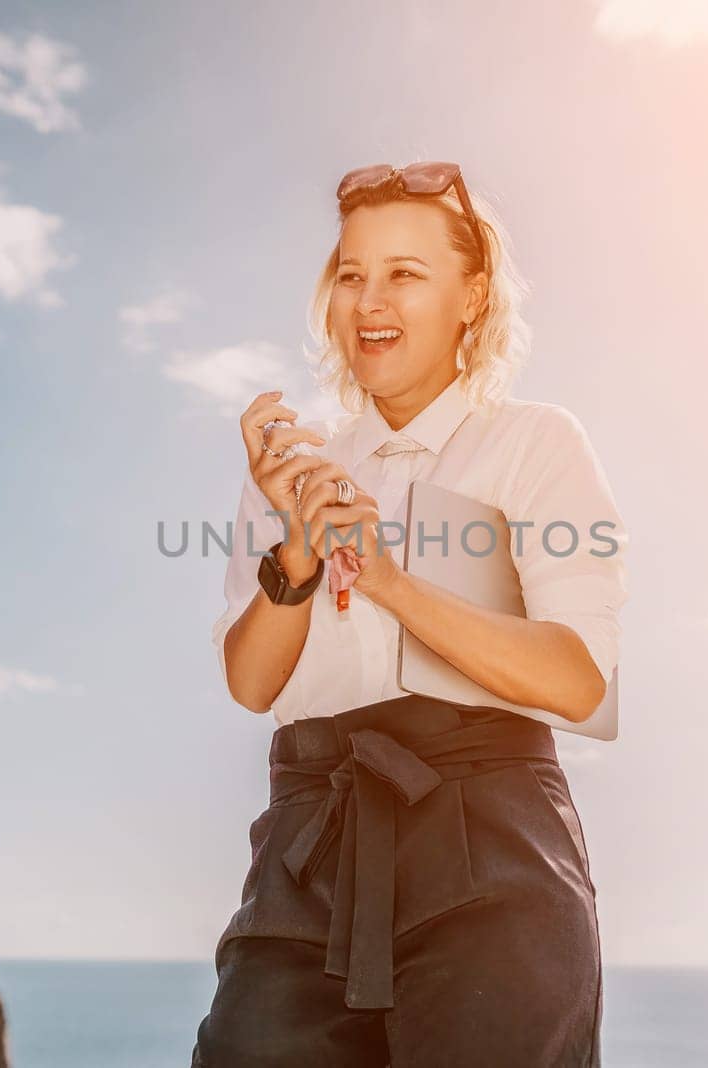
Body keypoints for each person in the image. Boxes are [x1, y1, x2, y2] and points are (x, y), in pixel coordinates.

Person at [191, 161, 629, 1067]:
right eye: (351, 274)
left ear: (472, 297)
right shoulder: (292, 471)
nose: (369, 299)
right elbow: (249, 681)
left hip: (488, 837)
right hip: (309, 841)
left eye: (404, 273)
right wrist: (300, 553)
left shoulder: (531, 442)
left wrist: (390, 580)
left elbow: (577, 680)